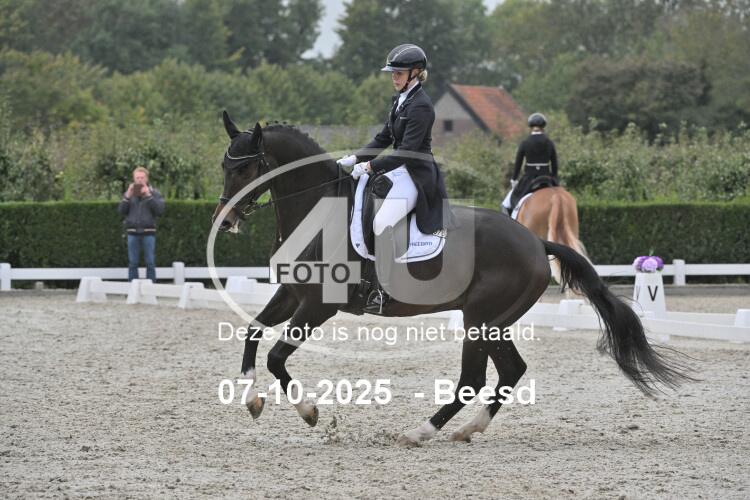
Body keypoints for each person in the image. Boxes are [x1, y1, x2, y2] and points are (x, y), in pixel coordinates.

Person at [336, 43, 452, 314]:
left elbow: (407, 151)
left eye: (399, 73)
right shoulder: (400, 100)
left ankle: (382, 290)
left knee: (383, 221)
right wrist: (355, 158)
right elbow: (383, 138)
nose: (394, 78)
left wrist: (370, 166)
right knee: (360, 203)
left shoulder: (422, 106)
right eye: (393, 73)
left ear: (415, 73)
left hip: (416, 174)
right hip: (398, 170)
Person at [501, 113, 559, 216]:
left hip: (529, 179)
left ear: (530, 127)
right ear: (543, 127)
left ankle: (511, 222)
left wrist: (514, 180)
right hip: (547, 178)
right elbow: (555, 165)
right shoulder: (549, 143)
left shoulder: (525, 143)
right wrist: (554, 179)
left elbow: (518, 164)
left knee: (506, 204)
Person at [118, 166, 165, 281]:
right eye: (137, 178)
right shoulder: (129, 194)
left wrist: (148, 196)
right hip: (132, 232)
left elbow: (159, 211)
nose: (139, 180)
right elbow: (121, 211)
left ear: (146, 179)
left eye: (142, 178)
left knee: (150, 262)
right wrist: (127, 197)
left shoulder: (155, 193)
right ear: (134, 179)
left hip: (149, 232)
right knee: (133, 263)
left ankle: (151, 287)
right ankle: (132, 287)